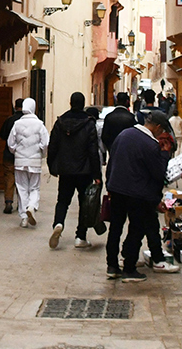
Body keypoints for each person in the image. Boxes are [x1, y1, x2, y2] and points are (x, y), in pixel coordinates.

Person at [105, 111, 180, 282]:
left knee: (115, 228)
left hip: (116, 189)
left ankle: (112, 266)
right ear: (158, 127)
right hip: (137, 193)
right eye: (162, 131)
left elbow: (112, 161)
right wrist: (164, 154)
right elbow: (158, 173)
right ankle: (129, 269)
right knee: (136, 229)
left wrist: (109, 184)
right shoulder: (150, 144)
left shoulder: (124, 134)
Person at [47, 92, 101, 249]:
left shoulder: (60, 122)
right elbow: (93, 151)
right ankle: (80, 237)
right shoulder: (89, 123)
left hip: (65, 170)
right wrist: (97, 174)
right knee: (84, 203)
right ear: (83, 104)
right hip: (84, 171)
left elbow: (53, 146)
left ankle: (58, 223)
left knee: (62, 200)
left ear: (70, 103)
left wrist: (52, 166)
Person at [7, 98, 49, 228]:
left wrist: (16, 152)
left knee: (21, 188)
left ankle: (24, 217)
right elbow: (46, 143)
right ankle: (32, 206)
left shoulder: (17, 124)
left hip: (20, 161)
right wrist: (42, 154)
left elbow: (11, 143)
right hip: (34, 161)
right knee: (34, 187)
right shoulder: (40, 125)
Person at [0, 99, 25, 214]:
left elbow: (2, 135)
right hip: (23, 154)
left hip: (9, 154)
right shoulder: (28, 121)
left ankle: (9, 202)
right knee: (22, 179)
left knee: (9, 177)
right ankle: (22, 202)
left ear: (15, 107)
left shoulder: (9, 120)